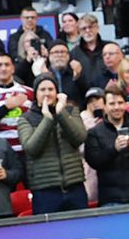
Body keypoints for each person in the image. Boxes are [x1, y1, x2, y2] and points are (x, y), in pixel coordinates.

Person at [19, 75, 91, 214]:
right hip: (45, 191)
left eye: (51, 89)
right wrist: (47, 119)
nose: (47, 93)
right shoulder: (26, 118)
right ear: (36, 94)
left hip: (74, 186)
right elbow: (31, 148)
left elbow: (80, 137)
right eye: (42, 89)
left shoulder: (70, 111)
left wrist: (60, 113)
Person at [84, 82, 129, 205]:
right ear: (105, 107)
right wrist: (114, 149)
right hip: (110, 200)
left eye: (120, 103)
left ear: (125, 105)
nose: (116, 107)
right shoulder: (95, 132)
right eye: (112, 104)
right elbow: (94, 160)